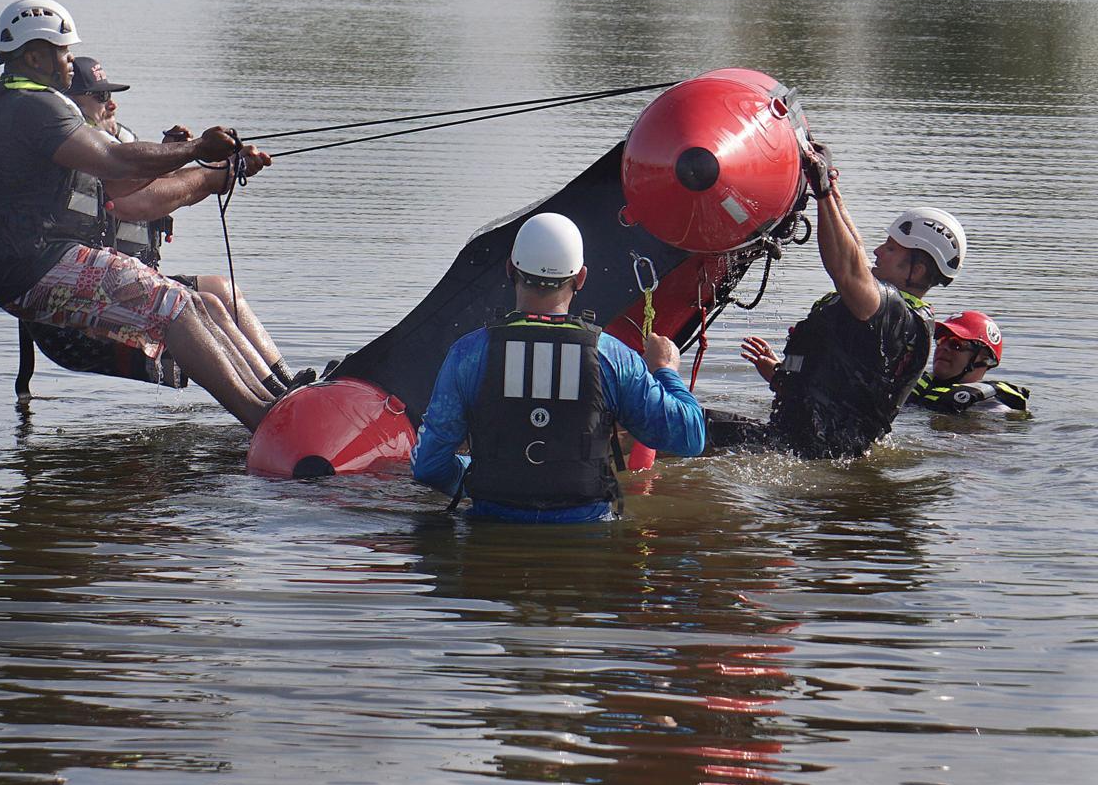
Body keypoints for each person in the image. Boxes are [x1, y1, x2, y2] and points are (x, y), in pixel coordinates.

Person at [0, 0, 277, 430]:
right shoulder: (32, 106)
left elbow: (121, 176)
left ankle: (278, 400)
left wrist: (187, 159)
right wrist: (197, 150)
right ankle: (266, 420)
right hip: (37, 264)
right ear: (34, 55)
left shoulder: (13, 103)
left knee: (196, 304)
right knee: (174, 305)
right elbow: (119, 163)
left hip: (31, 264)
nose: (69, 58)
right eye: (62, 50)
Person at [410, 212, 707, 522]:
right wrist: (666, 371)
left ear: (510, 269)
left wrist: (476, 480)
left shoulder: (468, 355)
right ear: (580, 278)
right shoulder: (612, 357)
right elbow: (690, 437)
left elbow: (429, 466)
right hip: (588, 534)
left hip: (490, 527)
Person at [62, 56, 303, 397]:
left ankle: (288, 385)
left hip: (129, 284)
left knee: (223, 289)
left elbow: (156, 184)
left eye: (110, 95)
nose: (112, 103)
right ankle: (272, 398)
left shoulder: (113, 146)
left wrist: (173, 153)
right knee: (207, 304)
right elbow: (139, 202)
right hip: (86, 313)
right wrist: (220, 171)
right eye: (99, 96)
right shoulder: (79, 153)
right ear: (70, 104)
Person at [710, 142, 968, 458]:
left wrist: (821, 195)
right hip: (796, 441)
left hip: (804, 451)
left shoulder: (899, 319)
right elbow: (855, 253)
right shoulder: (892, 314)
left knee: (671, 424)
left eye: (890, 248)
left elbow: (848, 267)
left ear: (918, 268)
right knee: (684, 422)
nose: (877, 252)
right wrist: (831, 188)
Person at [906, 311, 1030, 413]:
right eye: (941, 340)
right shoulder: (907, 383)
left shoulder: (990, 408)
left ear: (984, 359)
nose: (943, 347)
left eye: (956, 344)